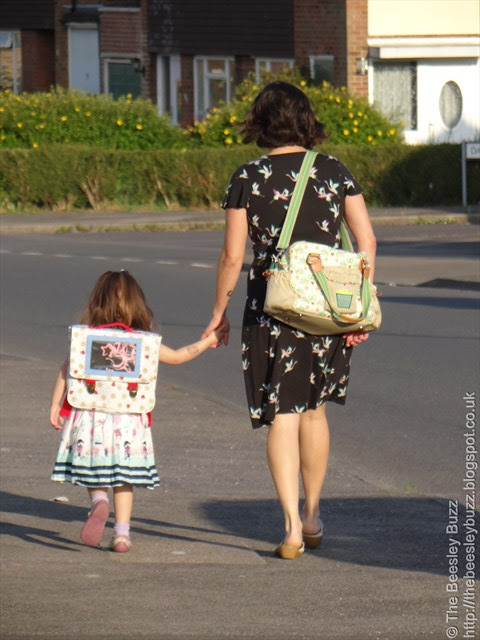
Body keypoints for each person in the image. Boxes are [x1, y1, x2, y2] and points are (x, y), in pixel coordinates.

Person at [202, 81, 377, 559]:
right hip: (329, 306)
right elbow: (366, 241)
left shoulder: (247, 177)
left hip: (271, 307)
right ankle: (315, 513)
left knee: (282, 413)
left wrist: (218, 313)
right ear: (306, 120)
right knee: (315, 410)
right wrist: (357, 308)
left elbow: (232, 255)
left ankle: (292, 527)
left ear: (260, 123)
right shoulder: (334, 171)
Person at [50, 270, 224, 553]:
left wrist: (56, 404)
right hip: (128, 421)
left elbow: (66, 369)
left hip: (90, 416)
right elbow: (179, 356)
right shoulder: (143, 343)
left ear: (97, 302)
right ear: (137, 305)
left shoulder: (87, 338)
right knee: (123, 478)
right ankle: (122, 535)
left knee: (93, 469)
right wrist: (209, 339)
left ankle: (99, 502)